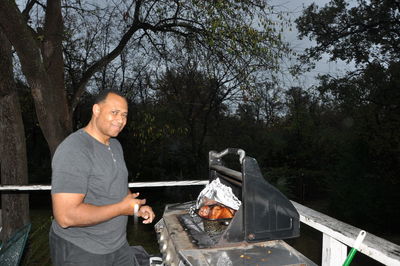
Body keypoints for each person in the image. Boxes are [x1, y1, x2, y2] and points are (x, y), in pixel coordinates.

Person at [49, 89, 155, 266]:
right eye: (114, 112)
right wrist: (122, 209)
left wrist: (136, 207)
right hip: (81, 250)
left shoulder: (114, 145)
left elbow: (116, 185)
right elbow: (65, 216)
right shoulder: (75, 149)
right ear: (96, 110)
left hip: (117, 245)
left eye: (124, 115)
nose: (120, 120)